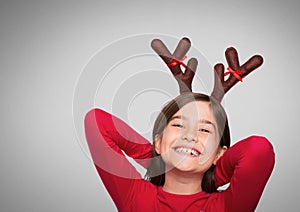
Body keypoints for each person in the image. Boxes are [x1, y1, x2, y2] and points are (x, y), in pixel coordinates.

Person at [84, 92, 275, 212]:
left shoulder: (224, 207)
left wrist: (213, 173)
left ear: (219, 154)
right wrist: (157, 160)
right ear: (158, 142)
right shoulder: (136, 197)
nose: (190, 136)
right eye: (179, 125)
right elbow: (97, 121)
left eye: (204, 130)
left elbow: (258, 149)